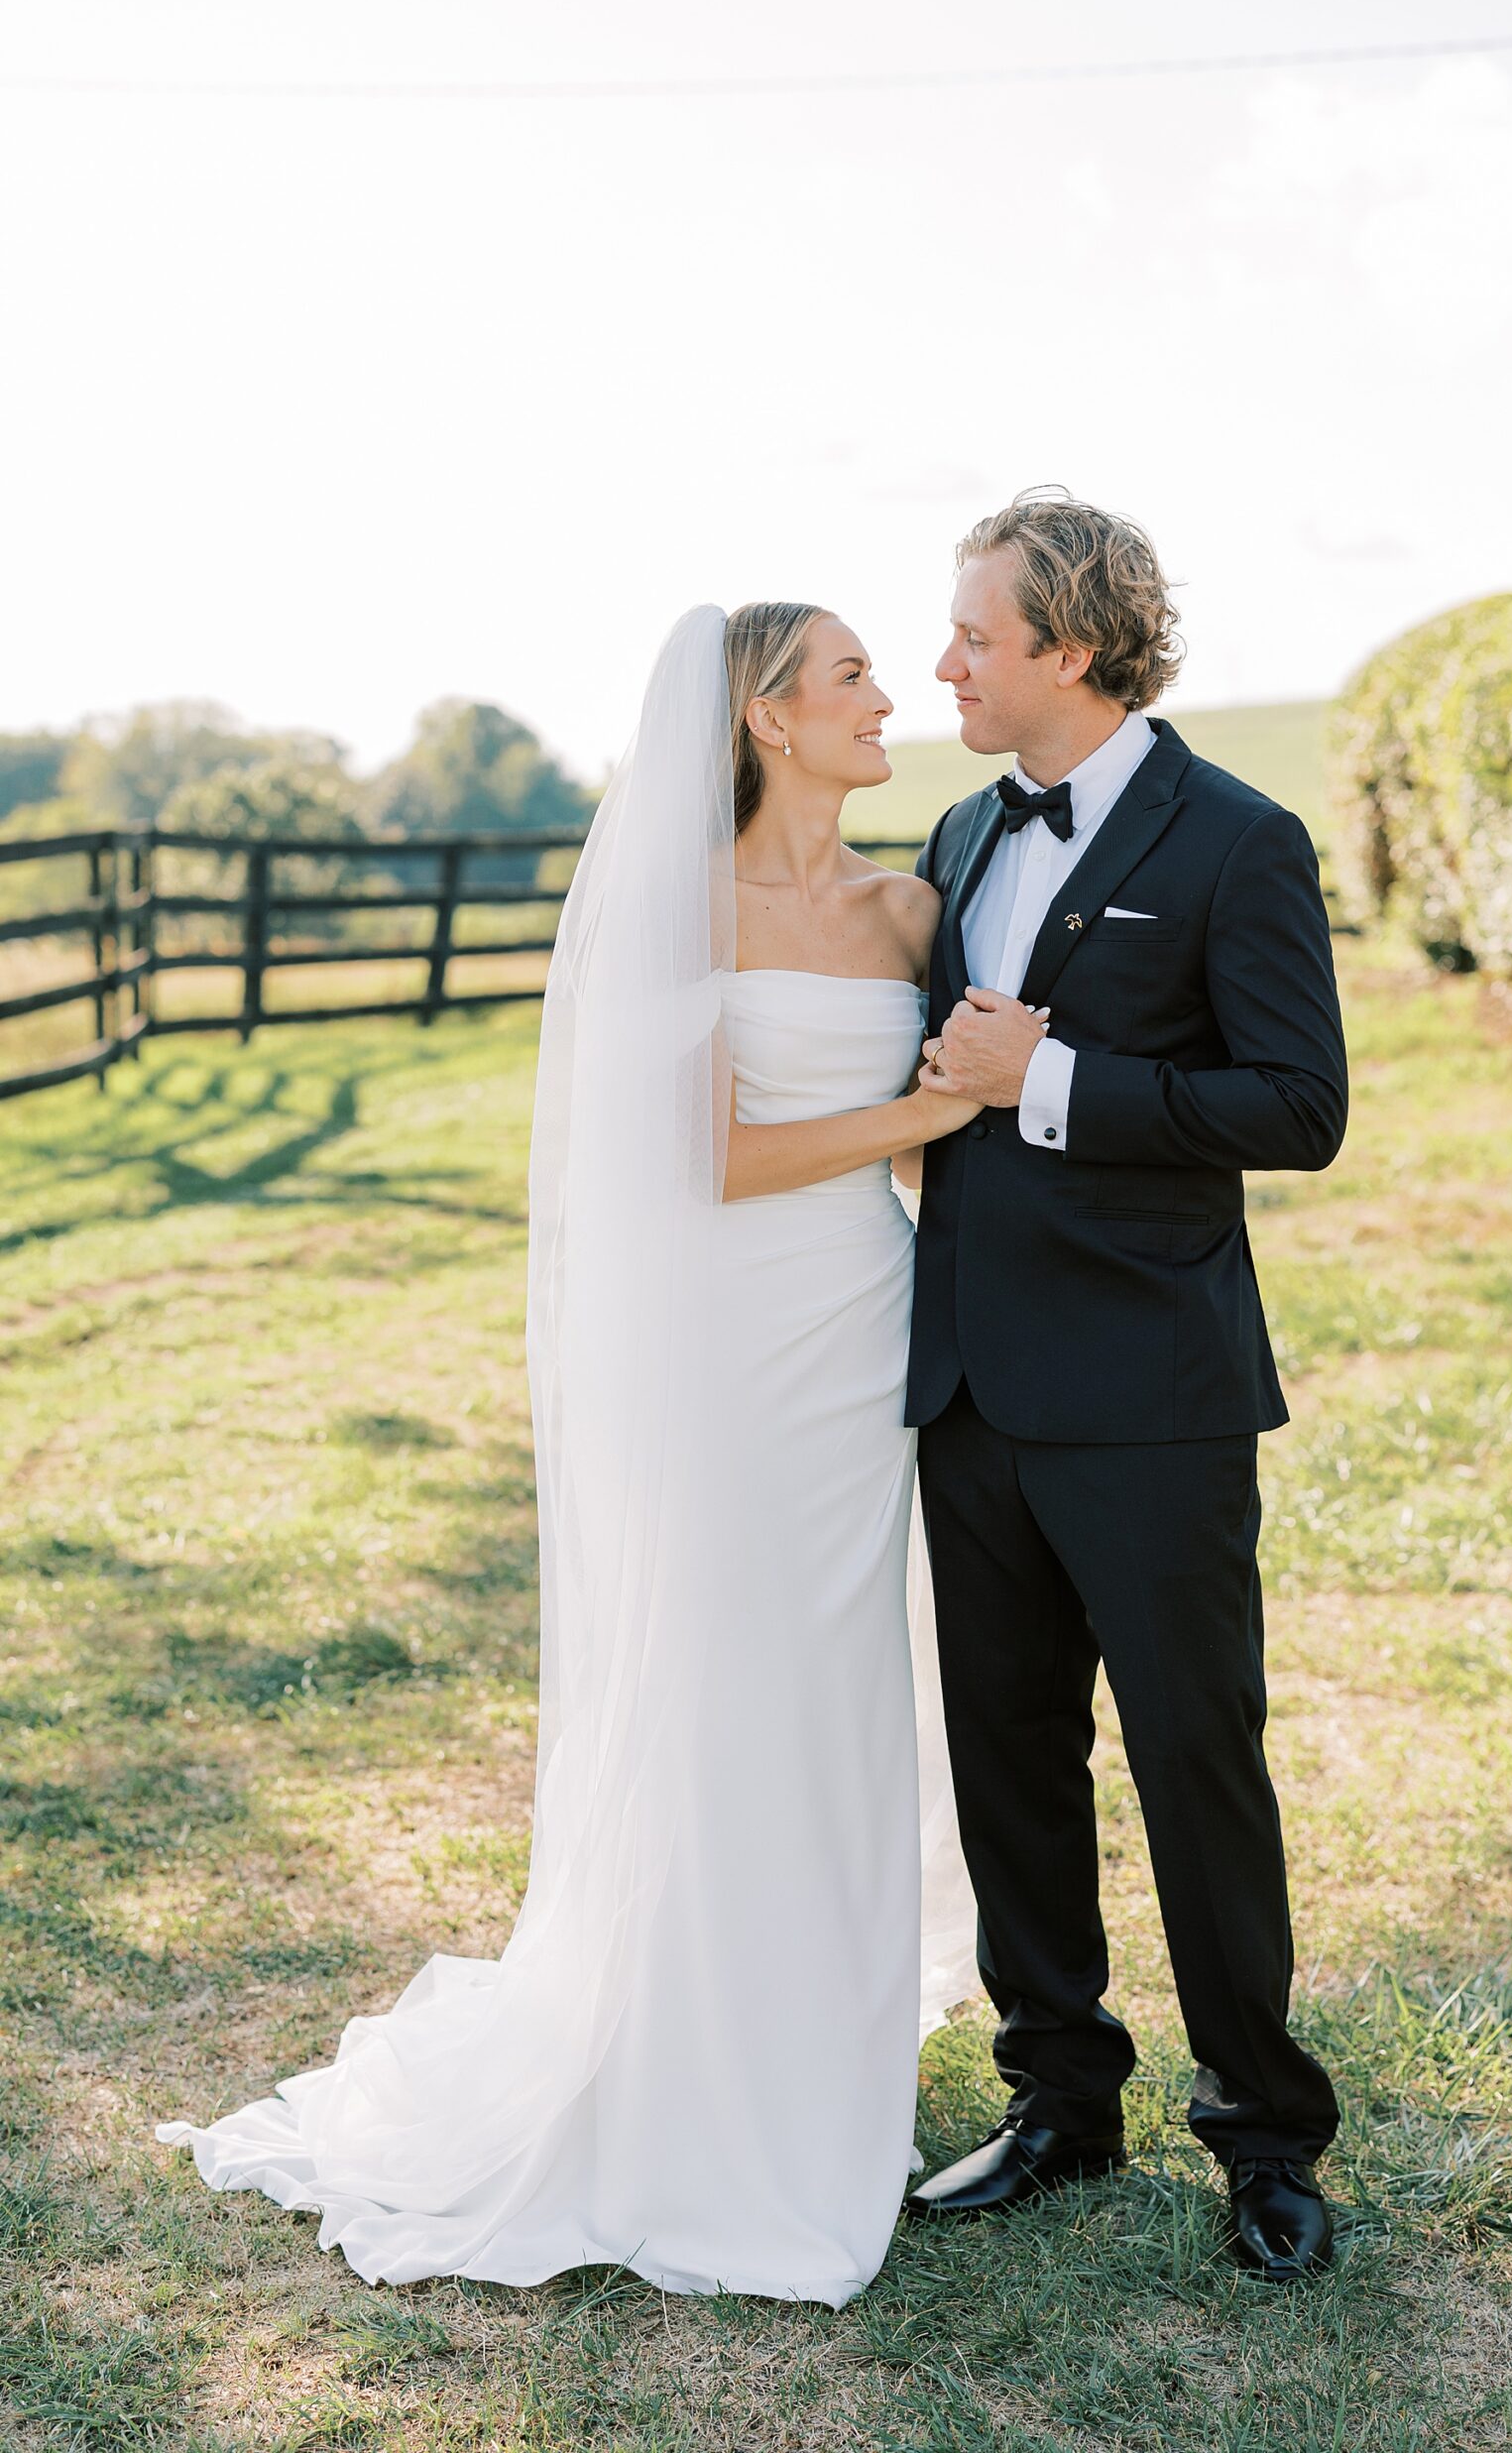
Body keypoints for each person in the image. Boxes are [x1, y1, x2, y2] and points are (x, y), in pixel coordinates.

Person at [158, 602, 978, 2307]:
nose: (886, 695)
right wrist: (932, 1110)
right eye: (850, 676)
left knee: (847, 1683)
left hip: (862, 1337)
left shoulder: (911, 909)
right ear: (765, 715)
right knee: (717, 1676)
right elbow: (712, 1157)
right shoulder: (682, 906)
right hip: (726, 1345)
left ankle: (818, 2049)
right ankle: (682, 2058)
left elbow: (951, 1147)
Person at [904, 489, 1347, 2280]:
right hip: (965, 1392)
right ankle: (1058, 2097)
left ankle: (1264, 2132)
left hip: (1155, 1397)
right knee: (1009, 1762)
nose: (944, 663)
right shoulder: (948, 828)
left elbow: (1297, 1108)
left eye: (973, 638)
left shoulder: (1241, 838)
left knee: (1193, 1763)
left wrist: (1059, 1077)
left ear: (1068, 650)